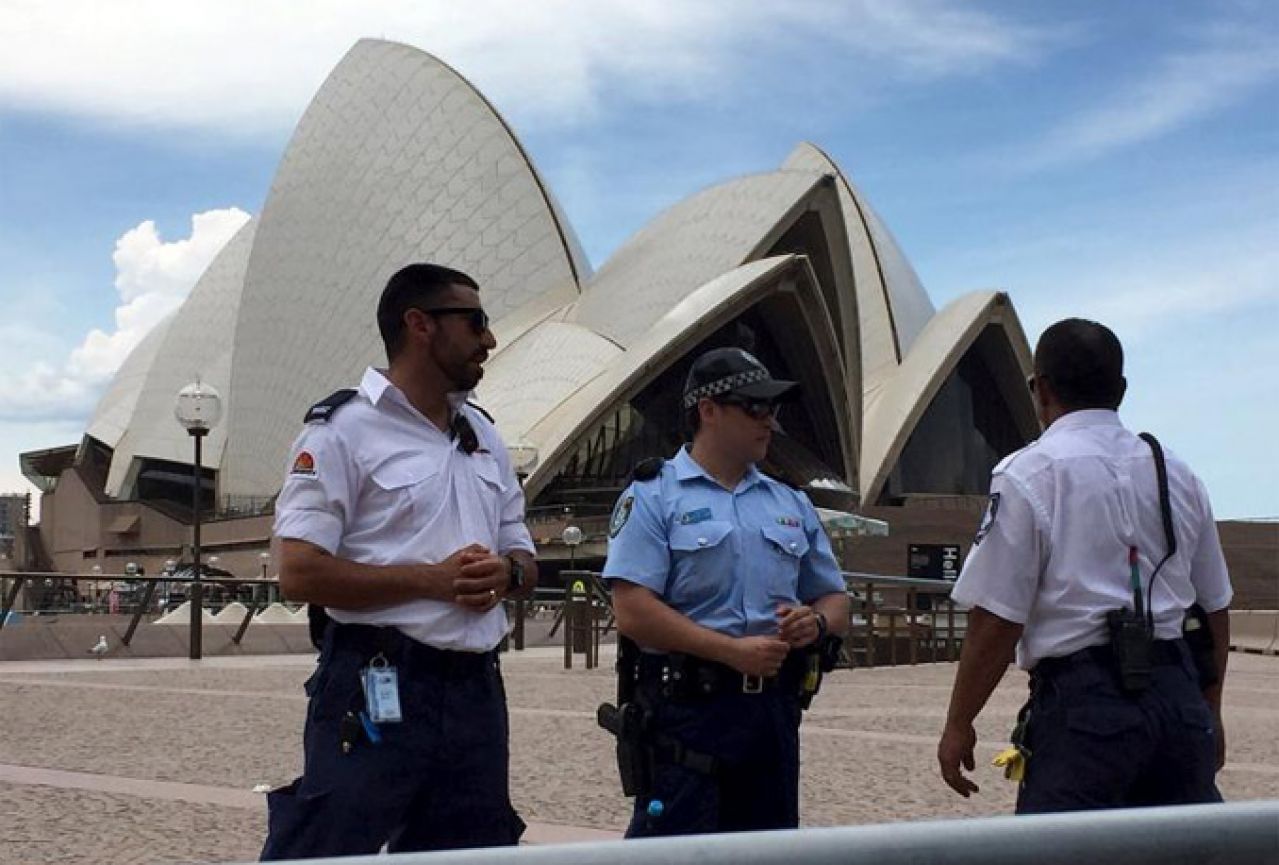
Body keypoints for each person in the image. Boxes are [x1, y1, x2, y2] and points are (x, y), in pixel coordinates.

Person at [260, 263, 538, 859]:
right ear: (421, 325)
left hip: (475, 692)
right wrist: (433, 580)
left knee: (472, 853)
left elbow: (524, 553)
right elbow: (299, 572)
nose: (489, 339)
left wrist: (508, 573)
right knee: (332, 847)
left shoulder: (485, 435)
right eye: (476, 321)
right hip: (375, 682)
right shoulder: (341, 431)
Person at [937, 318, 1232, 812]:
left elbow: (996, 617)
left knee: (1063, 853)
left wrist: (959, 721)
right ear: (1120, 389)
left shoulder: (1028, 472)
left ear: (1041, 387)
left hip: (1086, 706)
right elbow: (1215, 606)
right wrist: (1210, 709)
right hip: (1177, 695)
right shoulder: (1177, 473)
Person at [601, 347, 850, 836]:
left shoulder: (790, 500)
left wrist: (814, 623)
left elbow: (836, 599)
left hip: (769, 716)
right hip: (685, 712)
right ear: (708, 410)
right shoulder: (653, 495)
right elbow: (632, 610)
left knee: (767, 850)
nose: (769, 422)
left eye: (773, 410)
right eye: (754, 407)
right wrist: (731, 652)